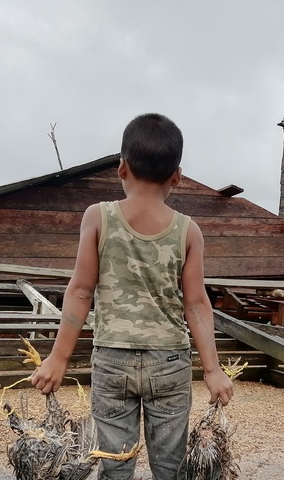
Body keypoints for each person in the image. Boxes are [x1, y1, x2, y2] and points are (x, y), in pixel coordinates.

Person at [30, 113, 234, 480]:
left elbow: (79, 290)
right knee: (171, 469)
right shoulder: (189, 231)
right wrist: (212, 369)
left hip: (112, 360)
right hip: (168, 362)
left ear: (121, 167)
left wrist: (58, 358)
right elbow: (197, 303)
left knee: (114, 465)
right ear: (177, 176)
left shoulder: (97, 217)